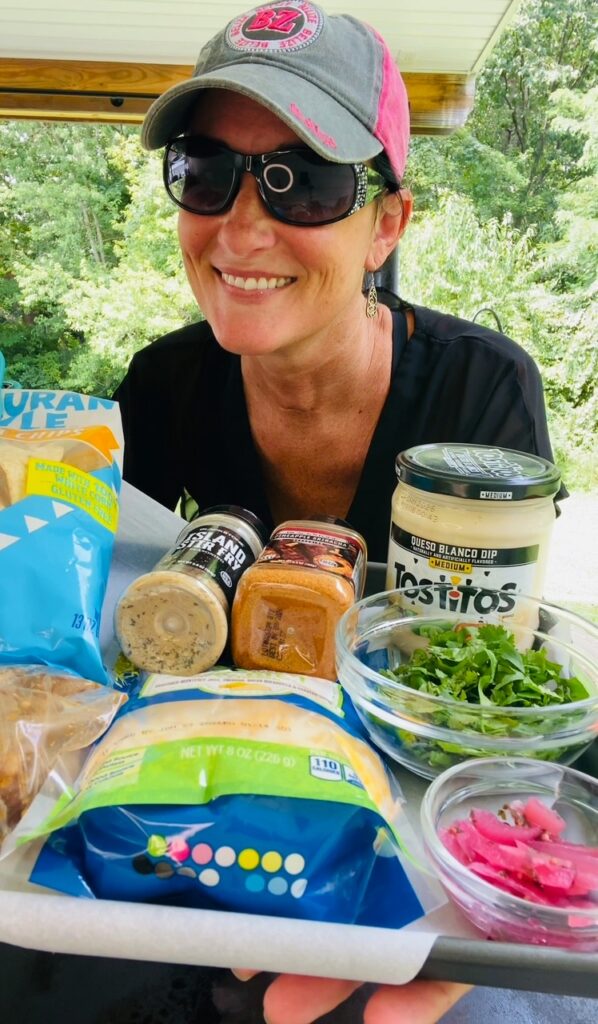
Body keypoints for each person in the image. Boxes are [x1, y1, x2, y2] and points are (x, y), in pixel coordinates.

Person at [114, 3, 559, 1021]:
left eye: (304, 182)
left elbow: (486, 675)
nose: (240, 225)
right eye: (204, 170)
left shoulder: (480, 394)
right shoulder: (164, 386)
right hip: (213, 795)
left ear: (385, 225)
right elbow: (124, 626)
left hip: (404, 813)